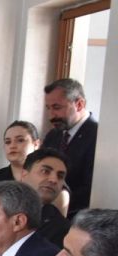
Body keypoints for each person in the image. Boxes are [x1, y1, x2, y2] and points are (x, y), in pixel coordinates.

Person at [41, 78, 98, 217]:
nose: (51, 116)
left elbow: (91, 188)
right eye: (48, 108)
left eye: (57, 107)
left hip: (79, 218)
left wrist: (56, 203)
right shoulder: (52, 135)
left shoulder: (99, 137)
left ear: (79, 104)